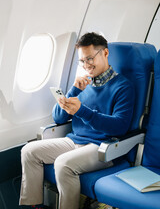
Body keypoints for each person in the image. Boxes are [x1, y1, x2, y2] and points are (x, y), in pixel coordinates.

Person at [19, 32, 135, 209]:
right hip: (74, 141)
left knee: (63, 164)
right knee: (29, 151)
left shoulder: (123, 86)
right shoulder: (83, 85)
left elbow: (119, 127)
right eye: (82, 61)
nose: (86, 65)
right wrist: (73, 90)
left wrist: (83, 111)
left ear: (105, 53)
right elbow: (58, 117)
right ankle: (35, 206)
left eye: (90, 59)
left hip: (103, 147)